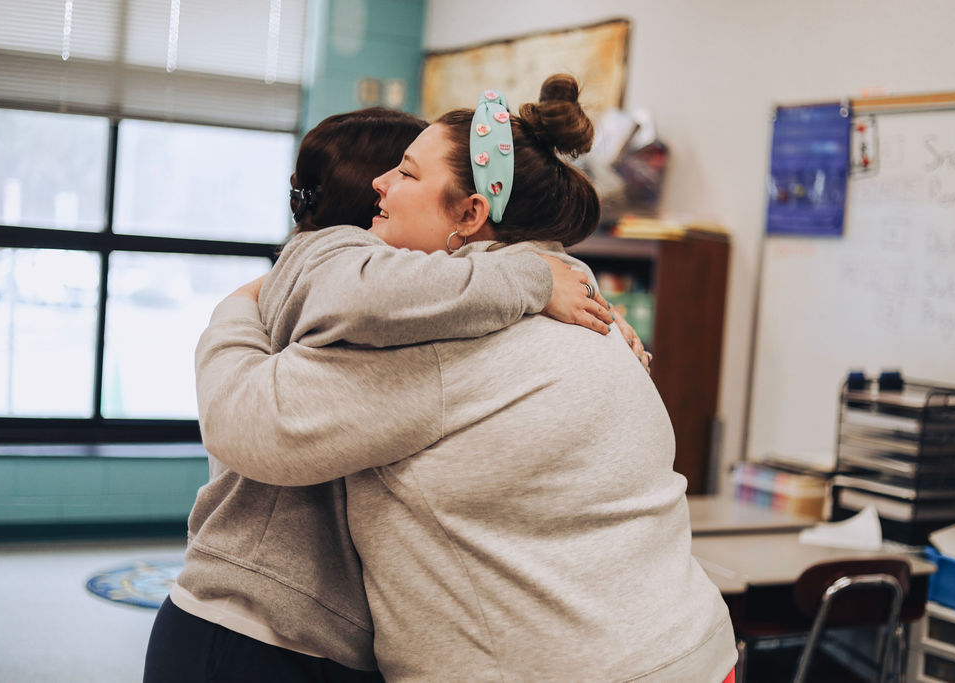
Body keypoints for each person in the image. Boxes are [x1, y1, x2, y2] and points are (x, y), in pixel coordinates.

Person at [195, 75, 737, 681]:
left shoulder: (440, 335)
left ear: (472, 213)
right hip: (693, 648)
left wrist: (240, 305)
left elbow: (247, 422)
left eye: (405, 173)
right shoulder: (573, 288)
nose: (382, 185)